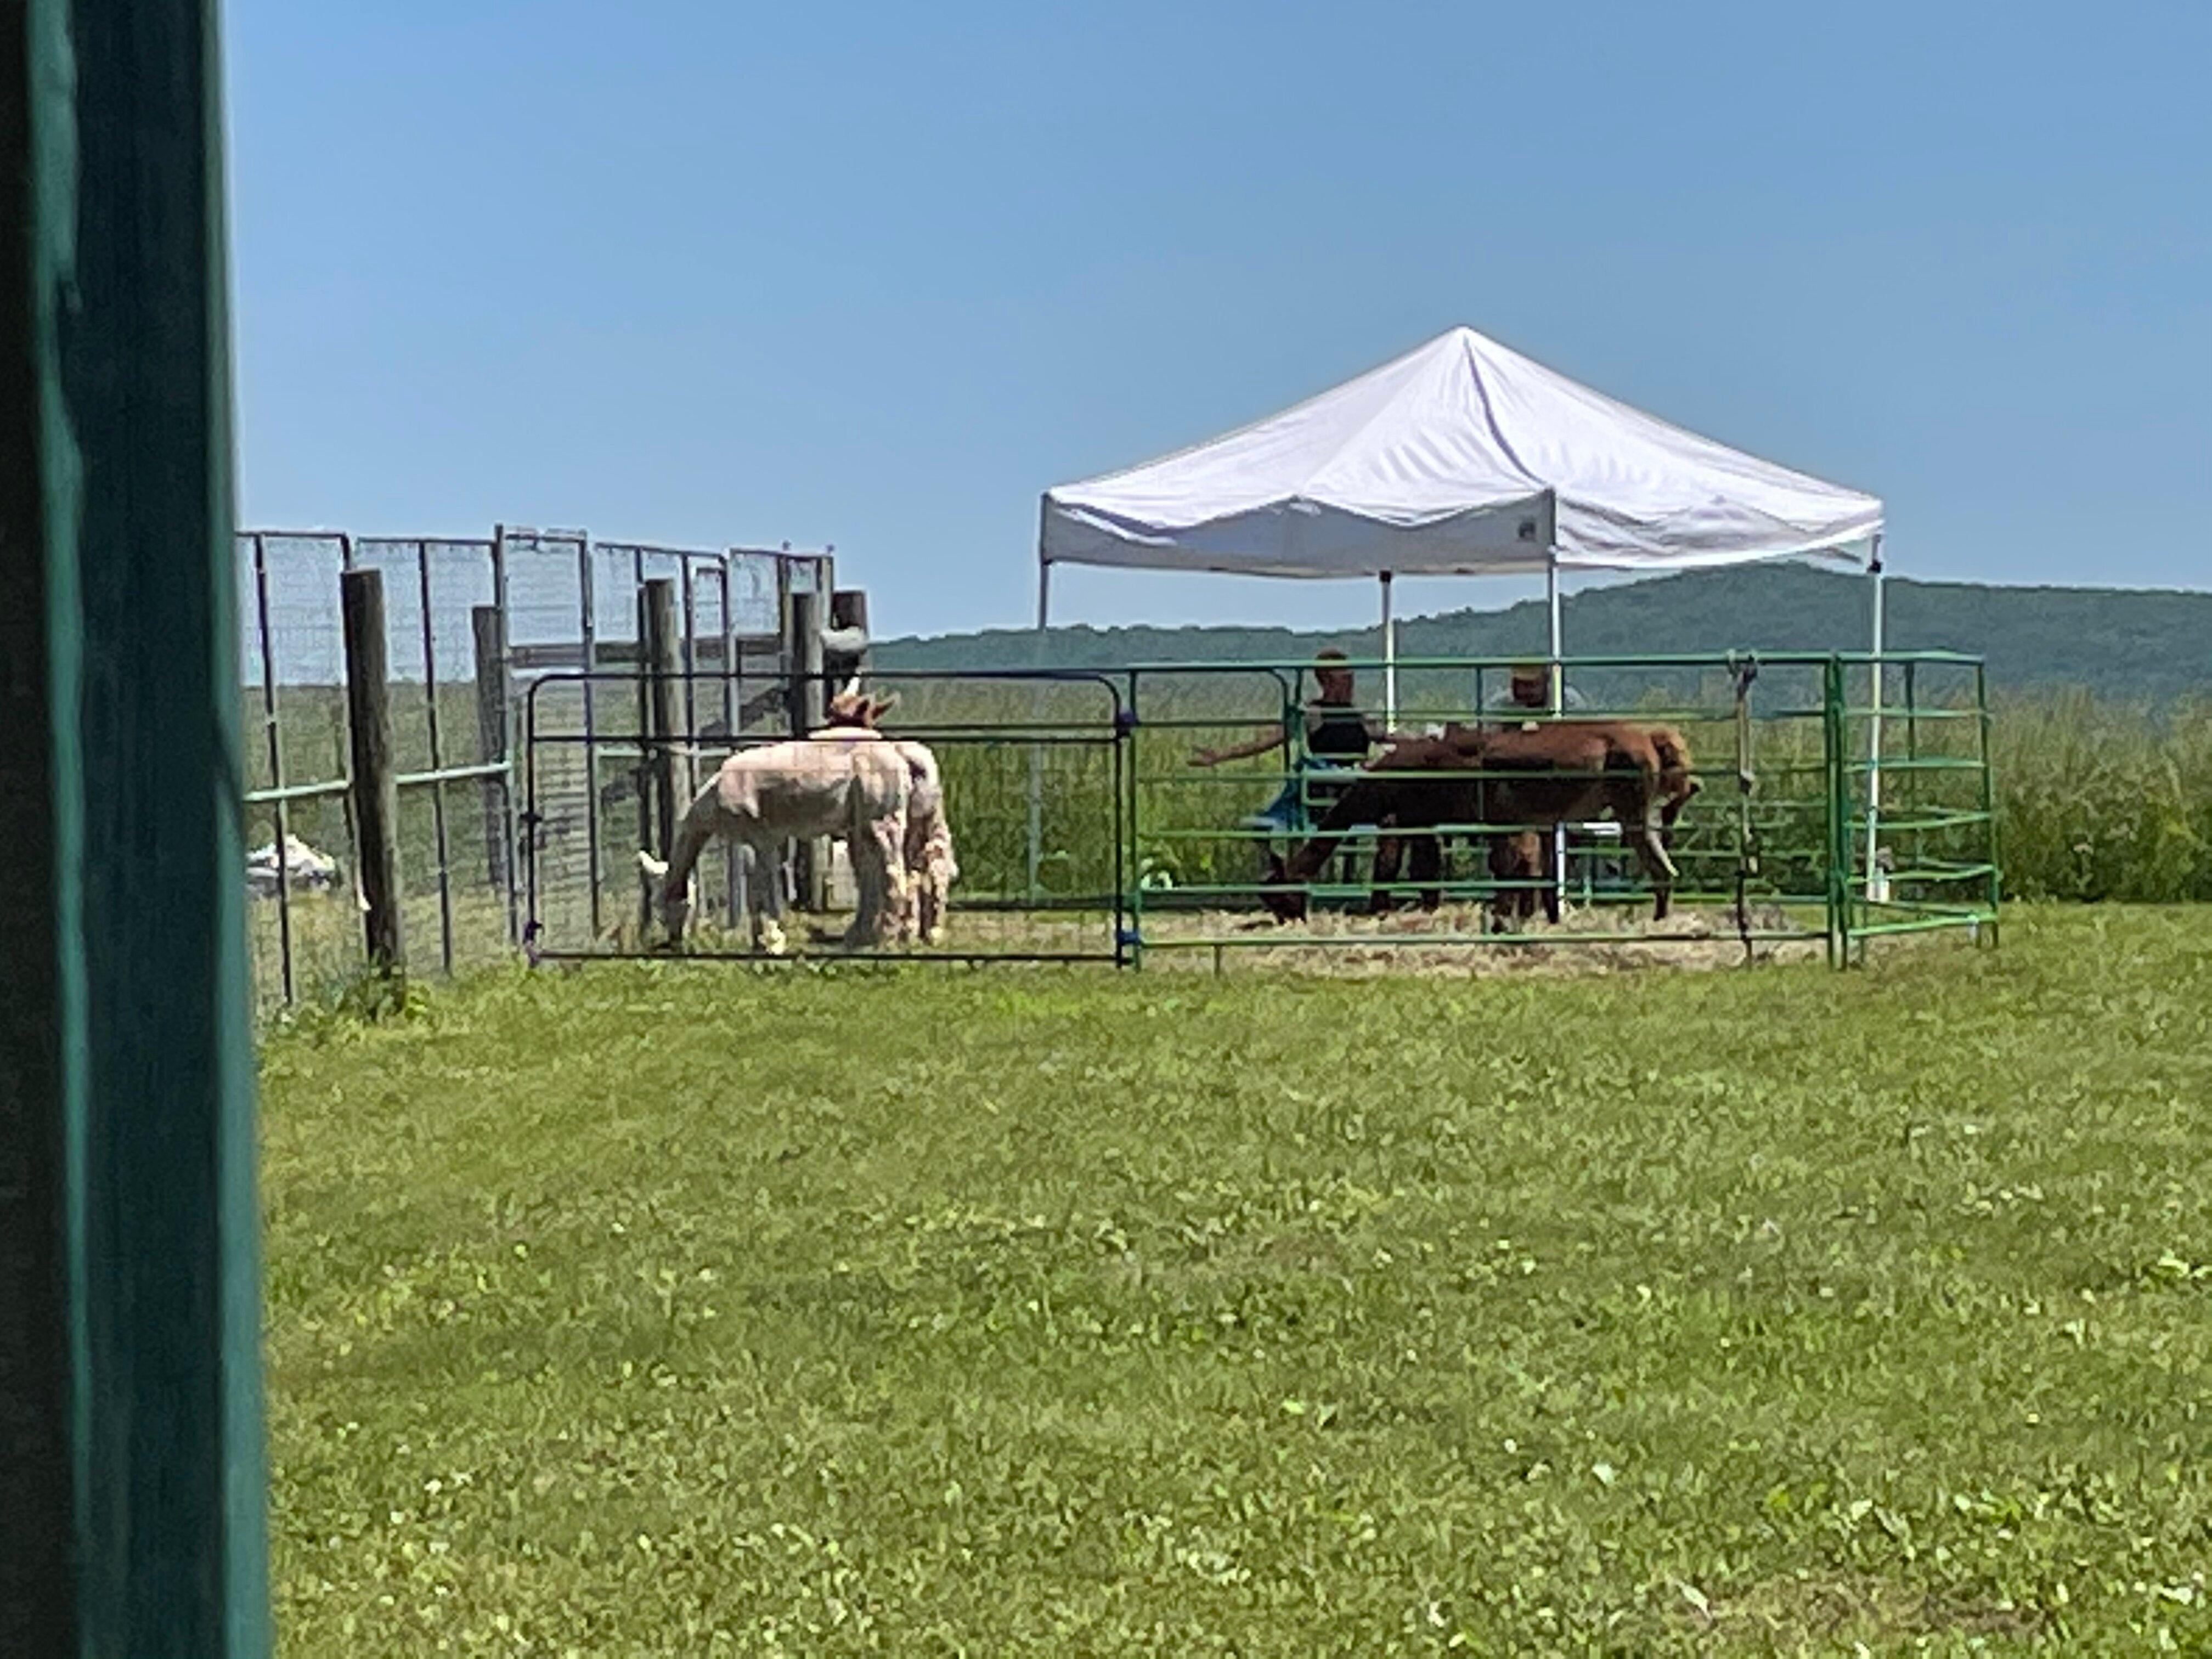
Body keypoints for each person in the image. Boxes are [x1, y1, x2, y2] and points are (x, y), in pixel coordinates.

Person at [1188, 648, 1387, 836]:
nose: (1350, 683)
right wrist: (1221, 755)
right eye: (1344, 678)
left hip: (1354, 788)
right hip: (1324, 789)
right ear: (1326, 680)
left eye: (1350, 677)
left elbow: (1387, 737)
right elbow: (1270, 740)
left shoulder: (1360, 717)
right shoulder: (1312, 713)